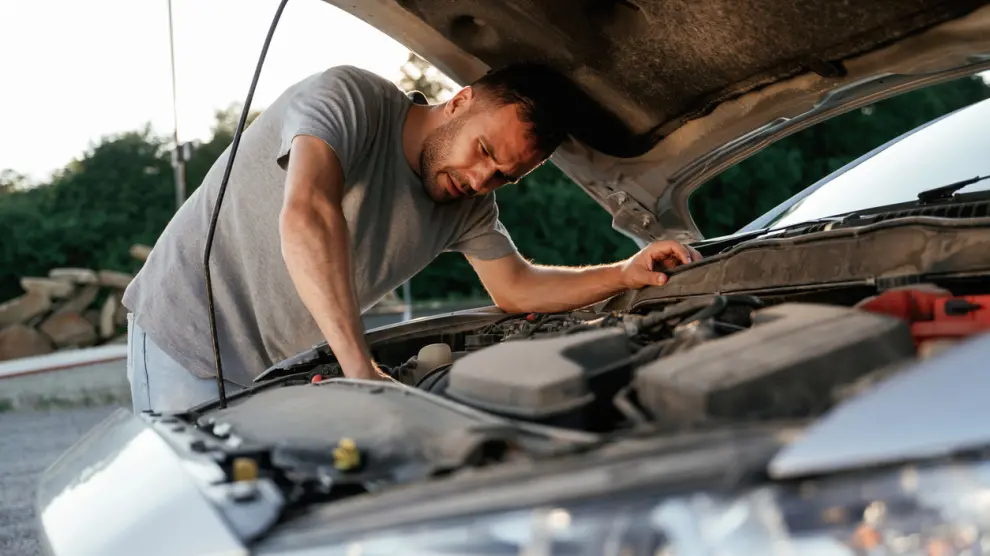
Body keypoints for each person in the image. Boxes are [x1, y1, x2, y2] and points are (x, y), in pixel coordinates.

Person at [122, 63, 702, 412]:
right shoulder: (351, 99)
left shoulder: (468, 205)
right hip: (187, 336)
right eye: (484, 152)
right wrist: (359, 365)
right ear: (461, 101)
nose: (481, 179)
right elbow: (308, 211)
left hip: (288, 367)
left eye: (504, 177)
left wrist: (625, 272)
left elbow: (517, 288)